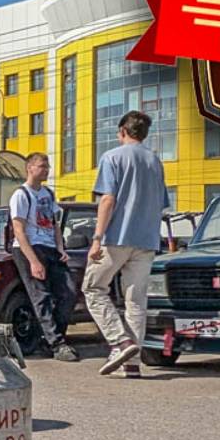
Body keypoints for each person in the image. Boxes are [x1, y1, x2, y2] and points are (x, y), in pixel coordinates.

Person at [83, 110, 171, 376]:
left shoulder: (112, 157)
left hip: (116, 237)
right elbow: (162, 204)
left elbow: (107, 200)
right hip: (146, 239)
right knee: (136, 301)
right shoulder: (155, 161)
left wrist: (97, 238)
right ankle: (132, 364)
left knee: (93, 288)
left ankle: (120, 342)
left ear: (122, 131)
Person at [9, 152, 78, 362]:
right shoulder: (21, 195)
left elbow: (55, 224)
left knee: (69, 292)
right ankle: (56, 344)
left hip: (50, 248)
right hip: (29, 248)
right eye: (41, 166)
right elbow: (18, 230)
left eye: (47, 166)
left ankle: (50, 339)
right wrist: (33, 261)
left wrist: (60, 248)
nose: (46, 170)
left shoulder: (48, 194)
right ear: (29, 168)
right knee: (41, 296)